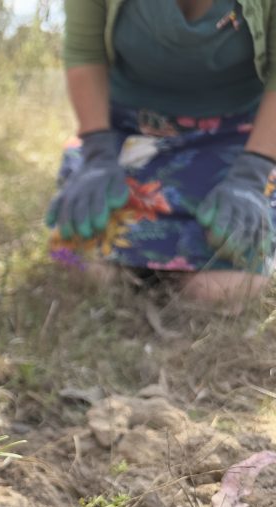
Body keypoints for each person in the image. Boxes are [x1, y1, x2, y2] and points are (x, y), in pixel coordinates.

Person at [47, 0, 276, 312]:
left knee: (223, 288)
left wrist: (253, 172)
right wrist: (97, 156)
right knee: (86, 268)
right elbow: (85, 53)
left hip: (244, 137)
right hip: (127, 132)